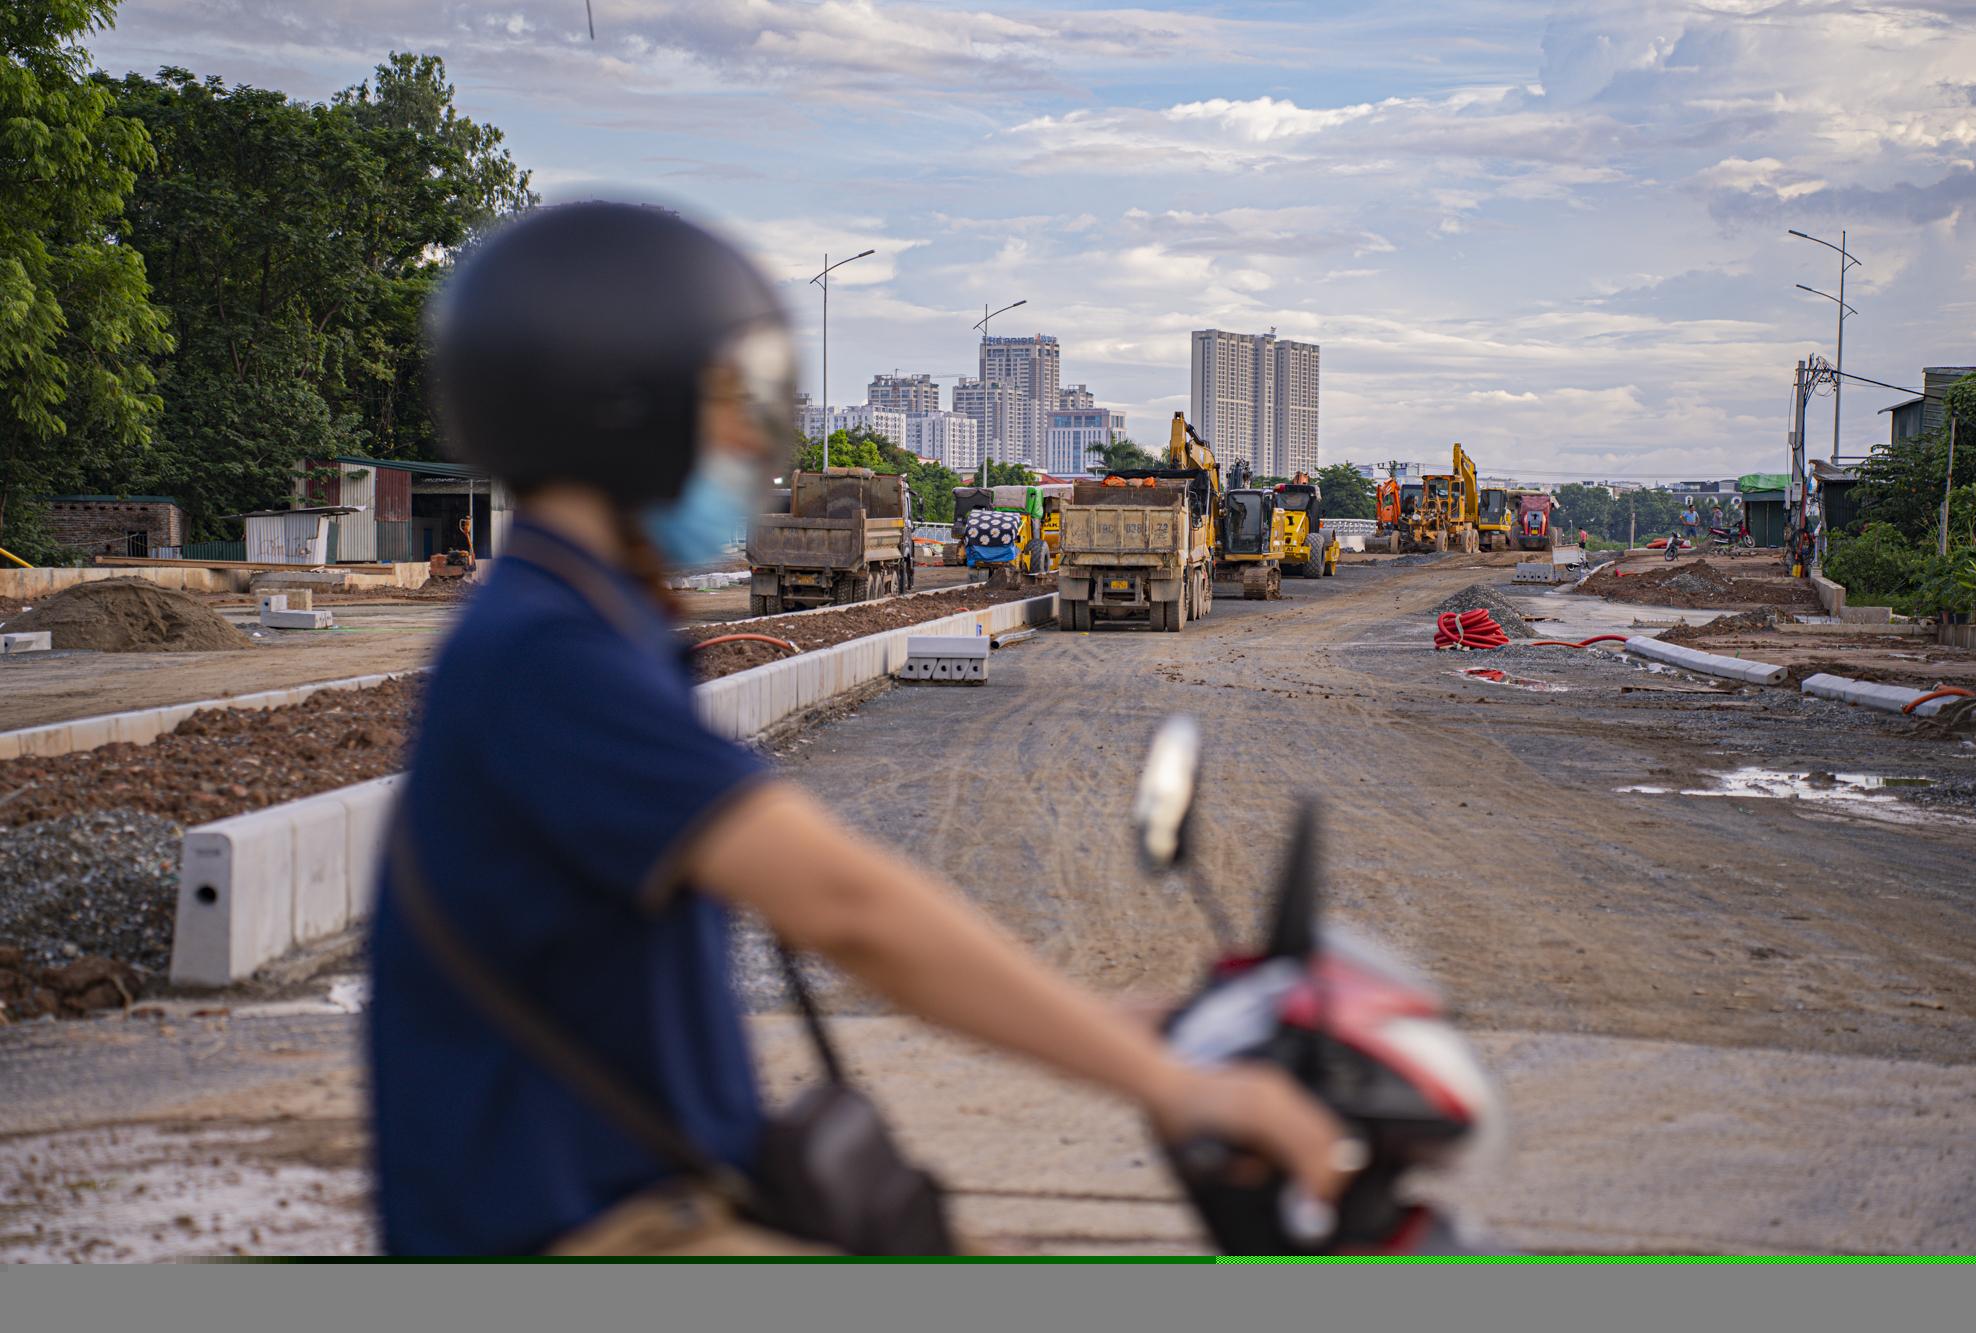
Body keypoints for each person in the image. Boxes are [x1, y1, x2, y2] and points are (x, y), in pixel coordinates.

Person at [367, 202, 1351, 1256]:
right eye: (731, 406)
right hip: (591, 1235)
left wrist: (1106, 1026)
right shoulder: (550, 656)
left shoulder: (572, 624)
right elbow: (849, 907)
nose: (758, 442)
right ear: (622, 407)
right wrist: (1166, 1084)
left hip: (641, 1198)